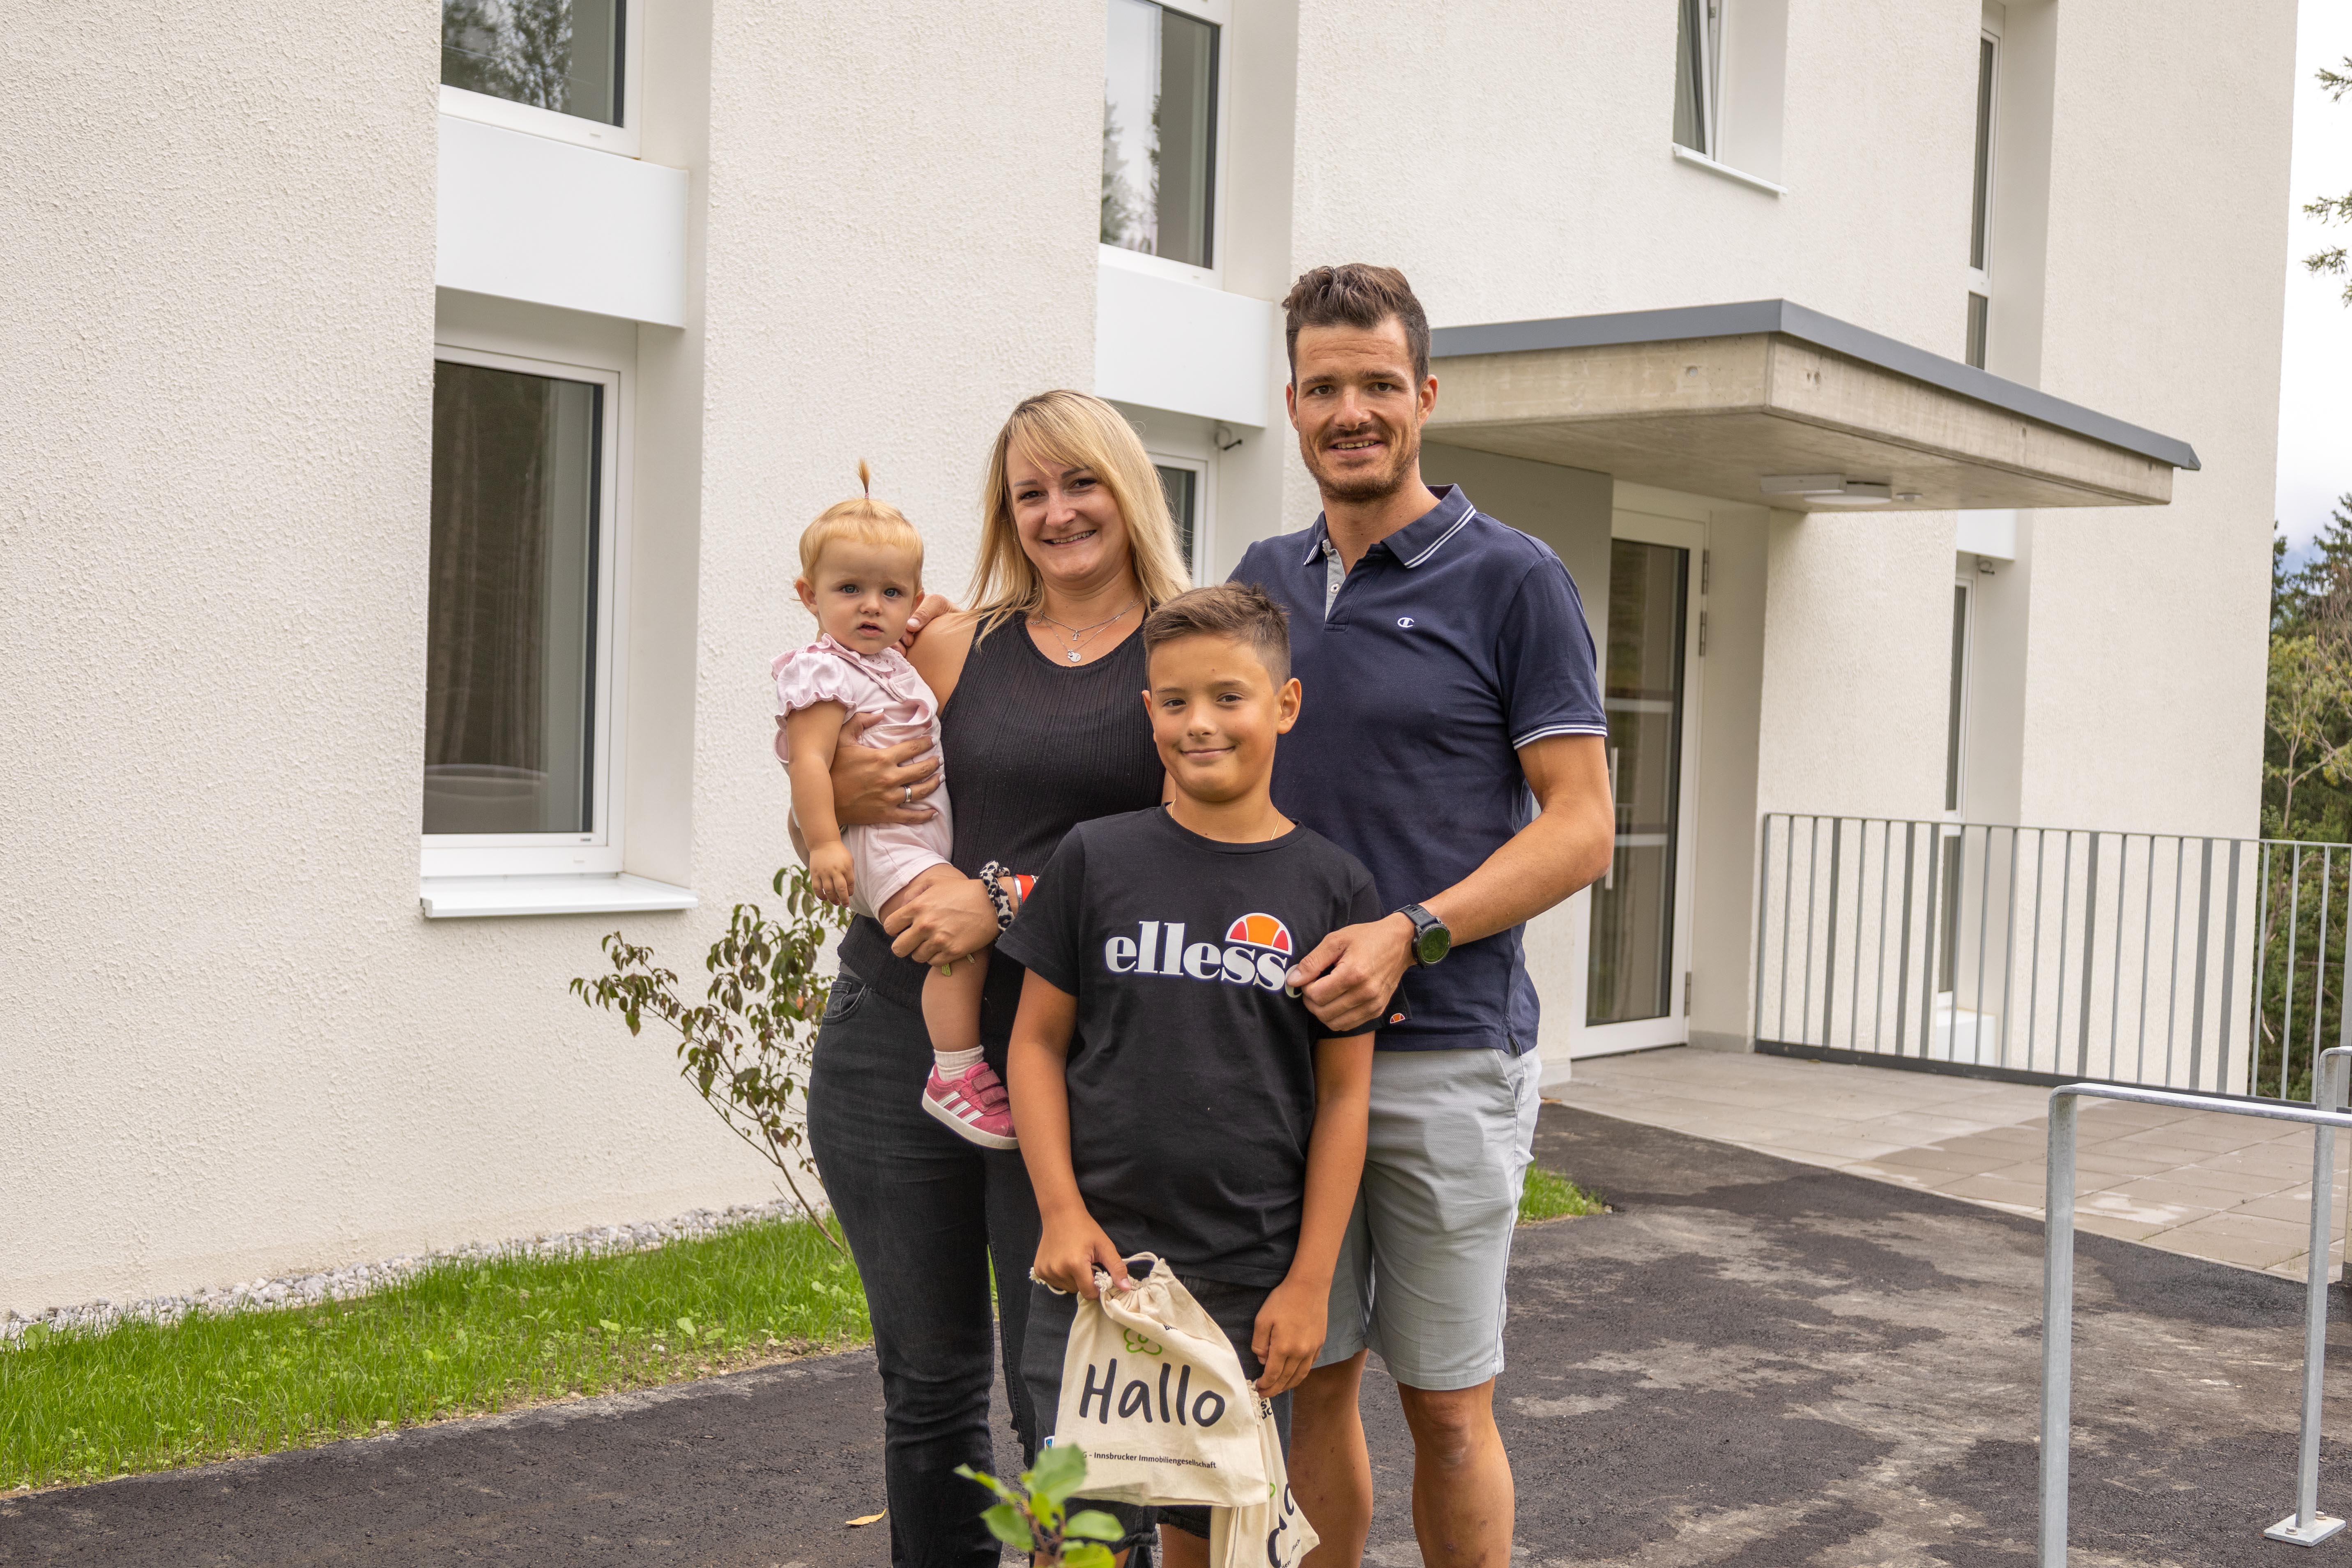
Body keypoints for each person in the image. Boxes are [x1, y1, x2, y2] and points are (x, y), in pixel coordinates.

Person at [1231, 265, 1616, 1568]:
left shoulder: (1513, 580)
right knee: (1310, 1382)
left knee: (1446, 1407)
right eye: (1324, 386)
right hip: (1284, 1060)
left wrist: (1414, 931)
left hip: (1445, 1050)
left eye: (1377, 384)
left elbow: (1579, 827)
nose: (1351, 410)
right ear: (1289, 404)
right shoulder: (1261, 578)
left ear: (1424, 397)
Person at [798, 389, 1190, 1567]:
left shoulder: (1183, 649)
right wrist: (828, 807)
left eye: (1080, 483)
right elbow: (849, 803)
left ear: (1126, 490)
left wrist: (1007, 896)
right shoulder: (950, 641)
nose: (1057, 511)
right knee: (925, 1390)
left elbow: (1195, 859)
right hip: (893, 1038)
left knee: (1065, 1396)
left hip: (1078, 1064)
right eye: (1030, 492)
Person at [1001, 583, 1378, 1567]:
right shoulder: (1096, 858)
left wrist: (1309, 1283)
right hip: (1098, 1273)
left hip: (1249, 1277)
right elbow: (1035, 1044)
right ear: (1148, 713)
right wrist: (1058, 1211)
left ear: (1285, 705)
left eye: (1227, 697)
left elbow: (1345, 1097)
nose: (1198, 723)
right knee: (1070, 1535)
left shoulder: (1333, 887)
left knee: (1211, 1540)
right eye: (1173, 702)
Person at [772, 463, 1029, 1149]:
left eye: (891, 592)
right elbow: (809, 764)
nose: (870, 607)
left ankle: (957, 1066)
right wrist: (825, 843)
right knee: (960, 928)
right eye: (848, 589)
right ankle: (955, 1071)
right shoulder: (823, 671)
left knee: (957, 920)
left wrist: (939, 616)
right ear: (809, 594)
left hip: (907, 842)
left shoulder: (887, 659)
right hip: (881, 843)